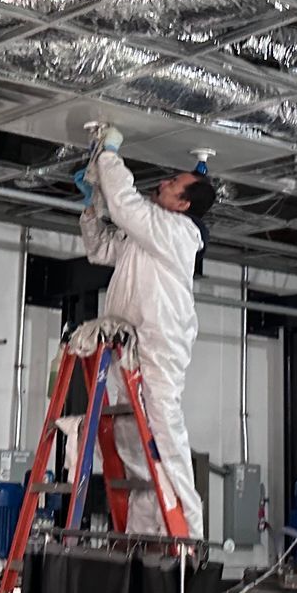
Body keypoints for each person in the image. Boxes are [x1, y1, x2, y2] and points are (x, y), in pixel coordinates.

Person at [78, 129, 217, 536]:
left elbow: (126, 205)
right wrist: (92, 210)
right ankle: (143, 537)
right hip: (128, 343)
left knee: (165, 435)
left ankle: (188, 536)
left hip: (158, 343)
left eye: (173, 184)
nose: (164, 184)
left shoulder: (175, 232)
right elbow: (102, 249)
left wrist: (108, 153)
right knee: (130, 440)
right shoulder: (150, 234)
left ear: (184, 204)